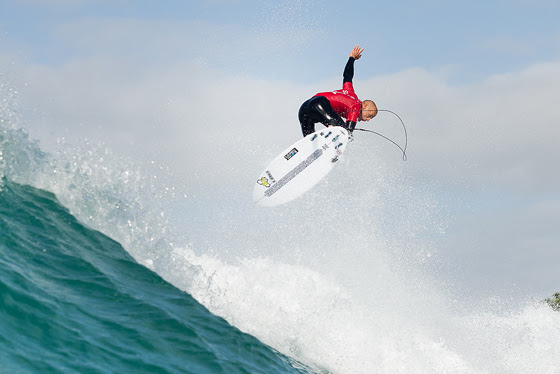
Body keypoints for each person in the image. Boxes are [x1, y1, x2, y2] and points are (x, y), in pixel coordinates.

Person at [298, 45, 377, 138]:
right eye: (370, 116)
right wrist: (348, 134)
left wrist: (351, 59)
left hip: (304, 108)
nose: (368, 120)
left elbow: (347, 76)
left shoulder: (349, 92)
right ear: (365, 106)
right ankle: (330, 131)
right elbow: (349, 129)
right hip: (319, 104)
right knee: (343, 131)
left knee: (310, 139)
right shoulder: (356, 106)